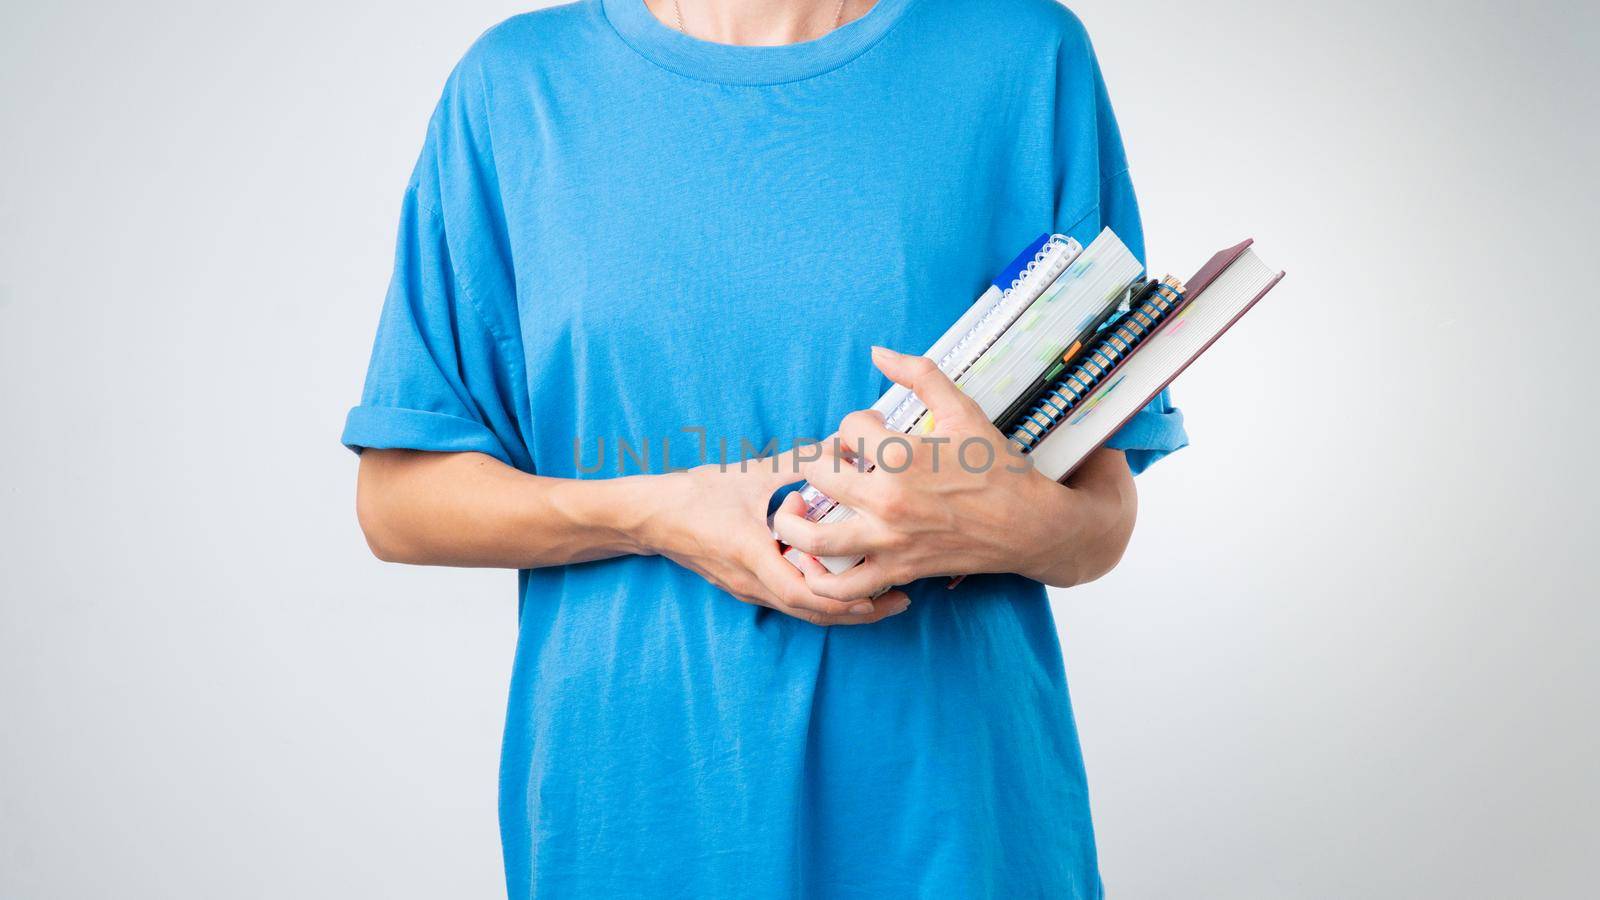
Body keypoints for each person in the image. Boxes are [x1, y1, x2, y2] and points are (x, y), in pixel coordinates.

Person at [343, 0, 1187, 895]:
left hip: (945, 812)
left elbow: (1101, 519)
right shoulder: (517, 86)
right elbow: (398, 504)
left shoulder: (1021, 56)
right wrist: (654, 514)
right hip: (635, 807)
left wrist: (993, 523)